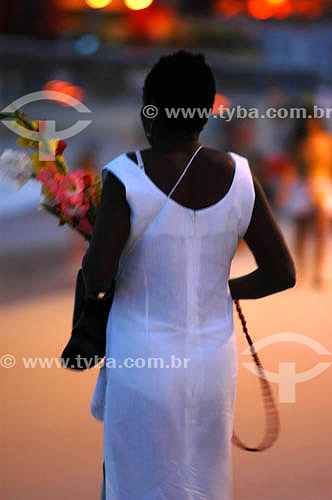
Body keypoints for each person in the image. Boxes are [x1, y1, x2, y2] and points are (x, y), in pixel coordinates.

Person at [82, 51, 296, 500]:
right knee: (201, 481)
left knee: (131, 477)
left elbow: (98, 277)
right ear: (203, 110)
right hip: (211, 363)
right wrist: (215, 290)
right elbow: (281, 273)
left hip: (142, 362)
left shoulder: (126, 175)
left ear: (151, 109)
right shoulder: (239, 174)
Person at [278, 113, 332, 288]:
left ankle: (319, 269)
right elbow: (291, 168)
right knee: (301, 230)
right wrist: (285, 190)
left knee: (321, 230)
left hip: (321, 183)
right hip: (302, 185)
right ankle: (301, 268)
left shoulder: (326, 142)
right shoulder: (299, 144)